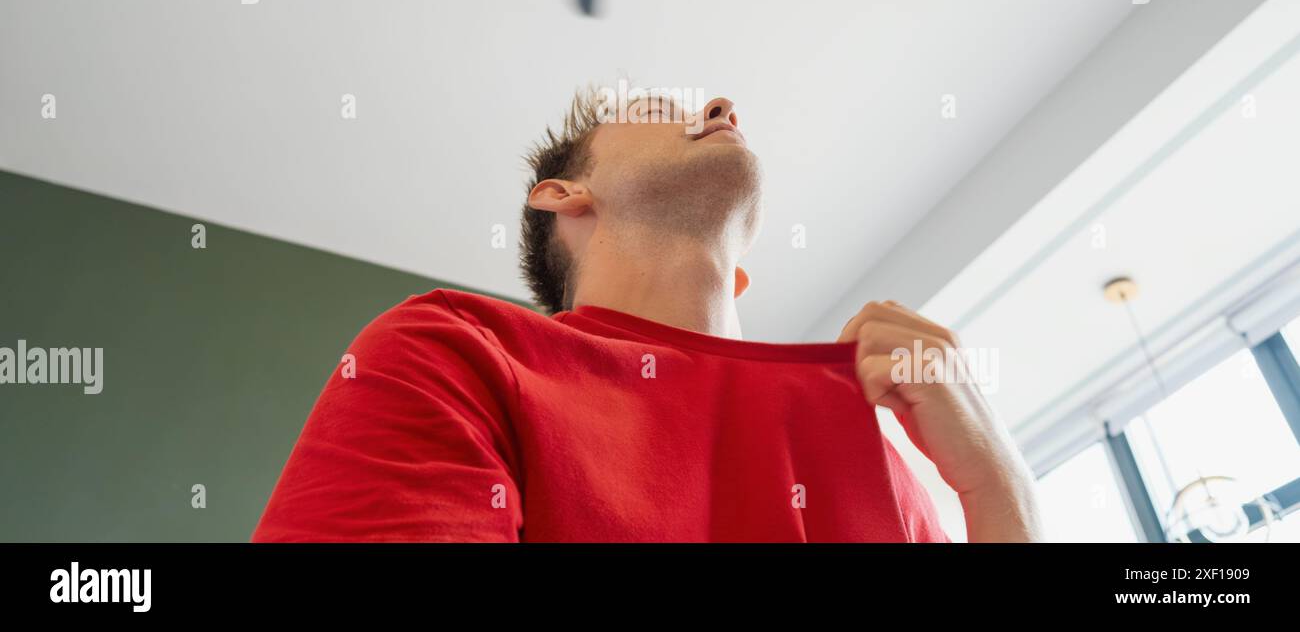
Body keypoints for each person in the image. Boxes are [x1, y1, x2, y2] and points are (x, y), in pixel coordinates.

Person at [251, 87, 1042, 541]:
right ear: (563, 195)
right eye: (660, 107)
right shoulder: (453, 353)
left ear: (738, 279)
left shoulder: (875, 450)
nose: (722, 105)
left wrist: (1001, 490)